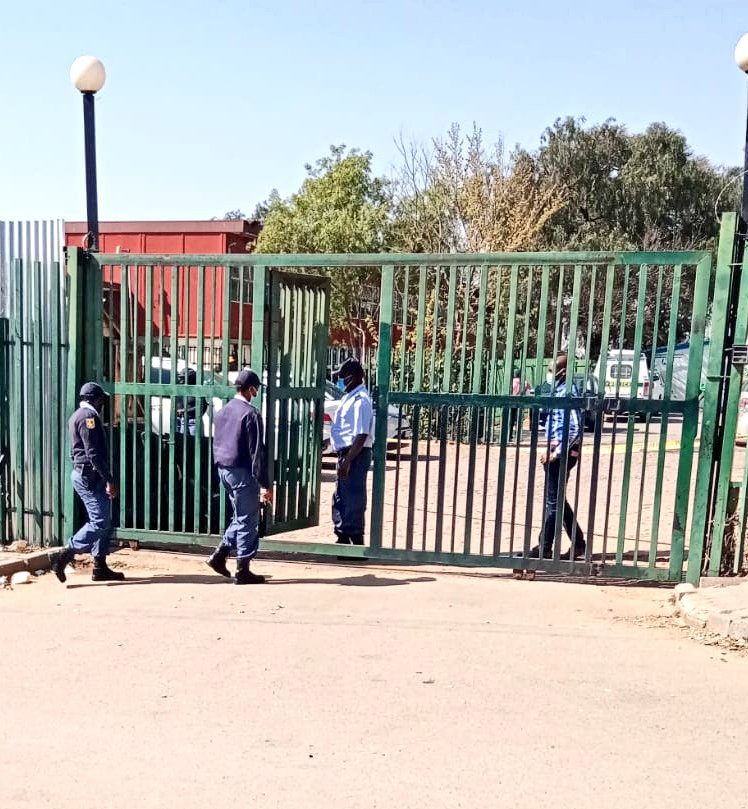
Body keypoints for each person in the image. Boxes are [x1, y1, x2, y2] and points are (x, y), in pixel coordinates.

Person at [53, 382, 123, 583]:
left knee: (104, 520)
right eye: (102, 399)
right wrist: (109, 479)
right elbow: (92, 453)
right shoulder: (88, 417)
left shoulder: (78, 415)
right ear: (95, 399)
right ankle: (66, 553)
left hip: (89, 475)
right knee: (99, 521)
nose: (103, 403)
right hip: (89, 476)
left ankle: (99, 567)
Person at [207, 369, 272, 584]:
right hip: (243, 472)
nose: (256, 393)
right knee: (247, 519)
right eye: (255, 389)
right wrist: (264, 484)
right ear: (251, 389)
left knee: (239, 515)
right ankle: (242, 568)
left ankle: (220, 554)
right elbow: (256, 453)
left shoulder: (223, 411)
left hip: (224, 470)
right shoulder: (250, 414)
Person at [529, 354, 586, 561]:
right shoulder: (558, 390)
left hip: (561, 454)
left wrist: (555, 452)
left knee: (552, 501)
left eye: (552, 370)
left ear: (562, 372)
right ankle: (578, 542)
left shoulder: (569, 392)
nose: (549, 374)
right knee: (557, 500)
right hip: (555, 450)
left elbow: (575, 428)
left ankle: (544, 547)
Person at [330, 358, 374, 547]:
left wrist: (348, 461)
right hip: (347, 453)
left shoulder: (360, 400)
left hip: (355, 453)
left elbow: (361, 434)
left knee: (353, 496)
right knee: (342, 495)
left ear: (356, 377)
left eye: (344, 378)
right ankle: (343, 535)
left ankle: (355, 539)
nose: (341, 382)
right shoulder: (350, 396)